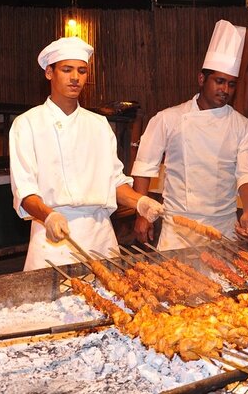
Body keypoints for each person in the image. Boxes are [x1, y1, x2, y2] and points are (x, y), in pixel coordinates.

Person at [9, 36, 164, 271]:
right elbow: (25, 191)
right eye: (67, 69)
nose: (75, 78)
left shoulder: (99, 125)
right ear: (49, 73)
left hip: (99, 237)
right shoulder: (27, 124)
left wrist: (140, 202)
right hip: (52, 239)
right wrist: (48, 216)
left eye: (81, 71)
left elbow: (113, 182)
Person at [131, 20, 248, 250]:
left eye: (231, 84)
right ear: (202, 79)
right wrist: (142, 212)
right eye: (219, 81)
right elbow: (144, 166)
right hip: (177, 227)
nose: (225, 90)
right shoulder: (168, 119)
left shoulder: (244, 128)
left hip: (222, 228)